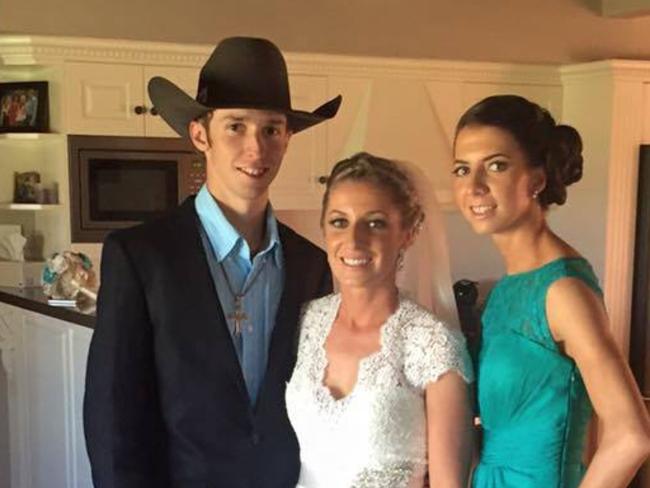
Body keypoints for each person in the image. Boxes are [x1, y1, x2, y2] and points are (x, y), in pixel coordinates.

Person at [83, 37, 342, 488]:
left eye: (271, 129)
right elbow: (113, 421)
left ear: (288, 137)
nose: (256, 149)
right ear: (200, 134)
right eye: (236, 127)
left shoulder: (311, 266)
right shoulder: (142, 258)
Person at [452, 94, 650, 487]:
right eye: (462, 169)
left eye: (496, 166)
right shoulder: (509, 288)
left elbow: (632, 436)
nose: (474, 186)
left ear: (537, 179)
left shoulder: (563, 291)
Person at [285, 152, 474, 487]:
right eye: (339, 221)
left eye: (375, 223)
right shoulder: (306, 322)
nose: (354, 239)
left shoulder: (433, 343)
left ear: (408, 232)